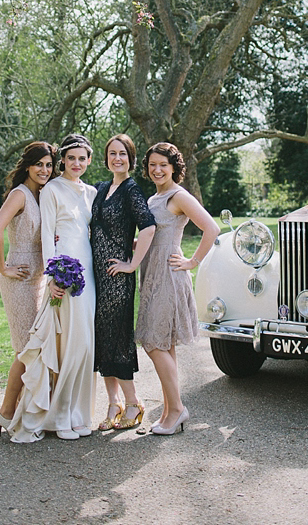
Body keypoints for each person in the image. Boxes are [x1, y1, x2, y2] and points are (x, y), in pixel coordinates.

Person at [9, 133, 97, 442]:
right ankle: (58, 416)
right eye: (71, 158)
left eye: (82, 158)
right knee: (67, 345)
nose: (76, 163)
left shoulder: (91, 193)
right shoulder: (51, 190)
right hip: (64, 274)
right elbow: (48, 236)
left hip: (89, 275)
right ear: (63, 160)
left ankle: (78, 414)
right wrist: (54, 276)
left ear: (88, 161)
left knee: (85, 345)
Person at [135, 141, 220, 435]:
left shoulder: (178, 196)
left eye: (163, 165)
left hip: (170, 276)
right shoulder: (153, 199)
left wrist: (192, 261)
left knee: (153, 343)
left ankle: (179, 408)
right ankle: (170, 411)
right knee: (164, 344)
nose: (157, 170)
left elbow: (212, 228)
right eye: (153, 165)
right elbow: (150, 239)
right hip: (151, 274)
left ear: (174, 168)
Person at [0, 141, 57, 435]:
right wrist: (3, 267)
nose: (44, 170)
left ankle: (27, 410)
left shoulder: (43, 195)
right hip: (18, 278)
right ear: (27, 166)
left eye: (49, 165)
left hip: (40, 279)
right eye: (39, 164)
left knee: (37, 346)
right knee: (26, 349)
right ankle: (6, 412)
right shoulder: (20, 195)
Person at [91, 134, 156, 431]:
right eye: (112, 153)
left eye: (123, 154)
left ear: (130, 158)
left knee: (117, 340)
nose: (117, 158)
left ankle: (133, 403)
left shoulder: (131, 190)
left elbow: (148, 227)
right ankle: (113, 403)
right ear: (106, 158)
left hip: (118, 280)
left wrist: (132, 264)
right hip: (96, 278)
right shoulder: (102, 188)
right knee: (101, 340)